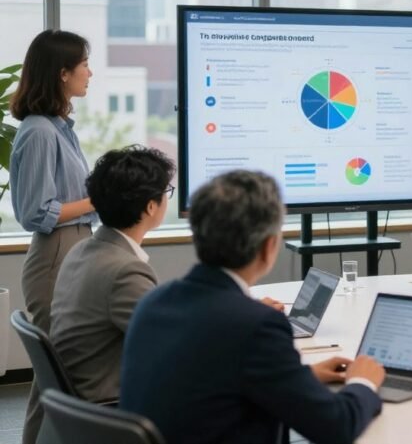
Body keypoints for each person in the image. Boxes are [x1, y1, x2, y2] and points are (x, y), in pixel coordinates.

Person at [120, 171, 385, 444]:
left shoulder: (153, 302)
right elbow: (336, 427)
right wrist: (363, 383)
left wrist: (302, 377)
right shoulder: (256, 326)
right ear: (269, 246)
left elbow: (211, 381)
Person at [9, 29, 97, 444]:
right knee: (56, 379)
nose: (89, 73)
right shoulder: (40, 131)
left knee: (55, 378)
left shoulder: (60, 128)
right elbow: (36, 212)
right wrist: (99, 198)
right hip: (55, 256)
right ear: (63, 73)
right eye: (84, 65)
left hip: (72, 247)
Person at [50, 146, 174, 405]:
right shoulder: (124, 270)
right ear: (151, 207)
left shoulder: (82, 250)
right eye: (167, 192)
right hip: (112, 405)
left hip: (82, 401)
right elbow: (171, 345)